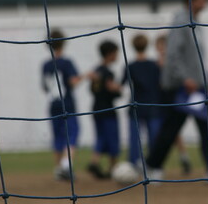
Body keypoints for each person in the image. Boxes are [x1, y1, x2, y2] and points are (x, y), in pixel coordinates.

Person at [145, 0, 208, 179]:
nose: (205, 2)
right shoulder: (181, 21)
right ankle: (153, 168)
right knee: (171, 130)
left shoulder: (196, 22)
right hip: (180, 87)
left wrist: (204, 81)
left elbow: (195, 58)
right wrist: (184, 78)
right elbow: (172, 55)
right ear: (190, 0)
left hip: (195, 87)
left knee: (206, 127)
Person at [42, 29, 83, 181]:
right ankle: (66, 165)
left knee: (57, 137)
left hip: (53, 104)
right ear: (63, 43)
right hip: (68, 105)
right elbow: (73, 81)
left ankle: (58, 169)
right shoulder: (67, 62)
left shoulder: (46, 64)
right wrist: (84, 76)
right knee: (73, 133)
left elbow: (44, 87)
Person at [122, 34, 162, 167]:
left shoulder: (131, 66)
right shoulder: (155, 65)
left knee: (135, 140)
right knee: (154, 140)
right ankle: (154, 165)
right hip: (153, 105)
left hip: (136, 106)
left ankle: (134, 165)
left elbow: (120, 86)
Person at [155, 34, 192, 175]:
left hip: (171, 101)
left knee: (173, 132)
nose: (161, 49)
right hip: (160, 102)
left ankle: (184, 158)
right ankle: (160, 162)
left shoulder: (173, 63)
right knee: (165, 133)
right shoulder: (157, 63)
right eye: (159, 47)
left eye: (163, 46)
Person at [87, 40, 122, 179]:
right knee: (113, 138)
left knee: (101, 137)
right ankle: (112, 168)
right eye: (115, 53)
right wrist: (117, 90)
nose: (117, 56)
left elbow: (92, 90)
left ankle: (94, 162)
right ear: (109, 54)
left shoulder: (96, 70)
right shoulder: (108, 72)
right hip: (107, 109)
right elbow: (113, 92)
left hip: (96, 109)